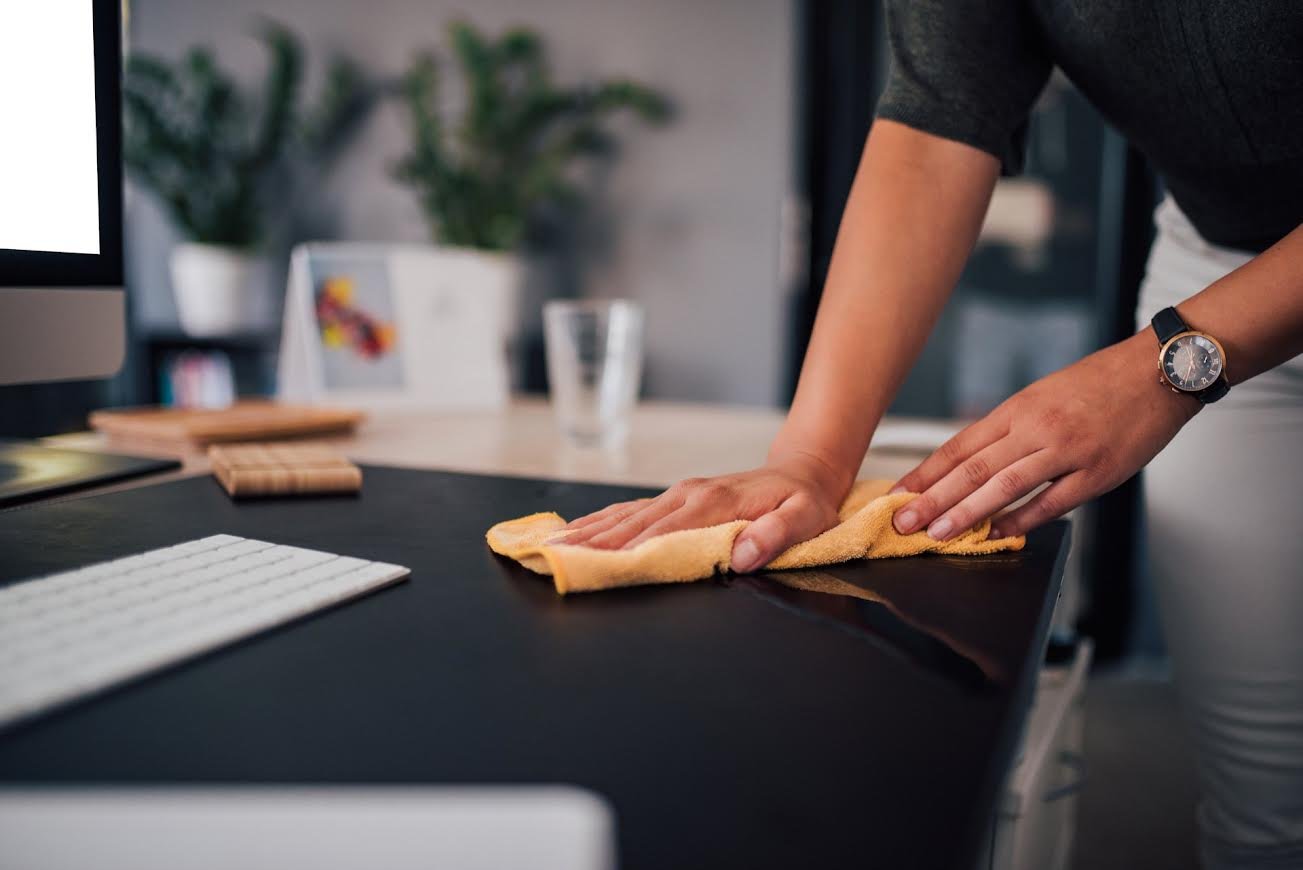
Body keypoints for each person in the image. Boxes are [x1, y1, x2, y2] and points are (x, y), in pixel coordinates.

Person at [560, 2, 1303, 865]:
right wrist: (811, 458)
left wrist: (1158, 366)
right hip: (1221, 264)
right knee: (1269, 804)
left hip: (1199, 330)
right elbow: (934, 118)